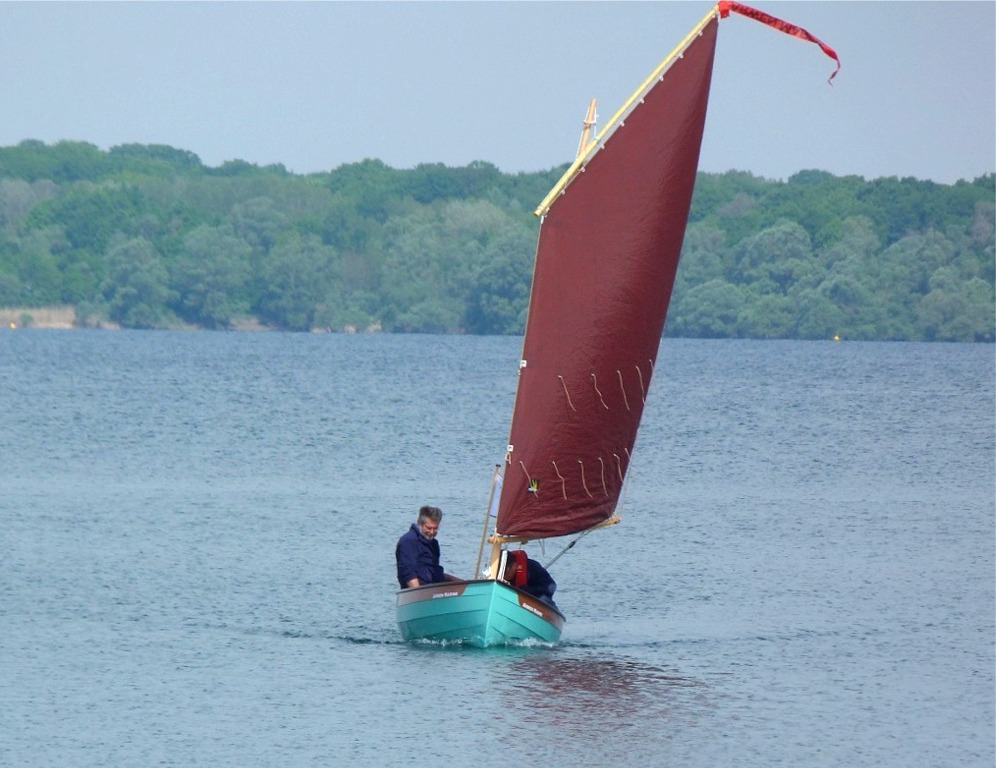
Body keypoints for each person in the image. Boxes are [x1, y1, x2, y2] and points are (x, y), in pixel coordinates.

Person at [395, 505, 460, 589]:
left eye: (435, 528)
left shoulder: (434, 544)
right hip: (417, 594)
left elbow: (434, 572)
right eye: (429, 528)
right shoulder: (408, 541)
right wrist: (419, 594)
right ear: (420, 524)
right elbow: (408, 572)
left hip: (434, 591)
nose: (432, 532)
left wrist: (463, 583)